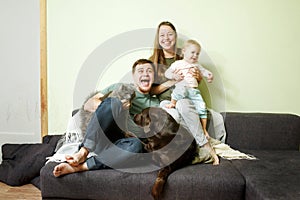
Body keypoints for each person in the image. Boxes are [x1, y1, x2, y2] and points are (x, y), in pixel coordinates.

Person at [53, 59, 160, 177]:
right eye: (141, 71)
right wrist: (119, 107)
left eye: (149, 71)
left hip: (122, 145)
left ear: (154, 77)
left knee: (137, 146)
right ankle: (83, 151)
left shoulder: (156, 103)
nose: (145, 74)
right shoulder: (119, 87)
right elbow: (88, 105)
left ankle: (83, 166)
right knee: (113, 102)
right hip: (103, 136)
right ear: (134, 77)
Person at [149, 21, 219, 165]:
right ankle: (190, 150)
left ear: (175, 36)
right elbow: (151, 91)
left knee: (183, 105)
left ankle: (204, 145)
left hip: (186, 98)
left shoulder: (186, 54)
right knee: (173, 114)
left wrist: (199, 76)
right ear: (158, 38)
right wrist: (172, 81)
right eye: (162, 35)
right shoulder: (153, 61)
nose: (166, 38)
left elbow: (195, 81)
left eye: (170, 34)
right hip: (167, 102)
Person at [164, 39, 213, 138]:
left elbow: (204, 71)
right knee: (180, 89)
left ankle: (203, 130)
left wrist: (209, 75)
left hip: (194, 91)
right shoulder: (178, 63)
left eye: (197, 54)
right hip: (183, 88)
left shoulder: (197, 65)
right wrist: (174, 76)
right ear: (184, 51)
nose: (195, 56)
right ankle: (173, 102)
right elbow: (167, 73)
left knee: (202, 107)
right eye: (193, 52)